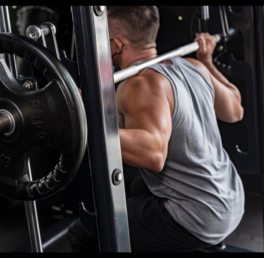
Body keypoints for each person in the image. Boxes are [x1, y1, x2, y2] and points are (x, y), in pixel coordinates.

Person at [68, 6, 245, 252]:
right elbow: (235, 108)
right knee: (135, 188)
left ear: (117, 44)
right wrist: (207, 61)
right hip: (231, 198)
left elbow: (153, 154)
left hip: (199, 217)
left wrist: (81, 114)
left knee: (83, 232)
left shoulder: (138, 85)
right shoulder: (195, 66)